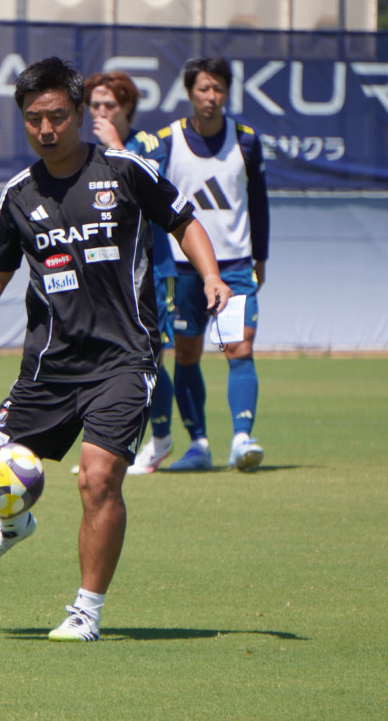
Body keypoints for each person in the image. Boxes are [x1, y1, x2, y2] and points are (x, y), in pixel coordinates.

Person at [0, 57, 231, 642]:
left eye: (58, 117)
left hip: (124, 358)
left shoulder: (123, 169)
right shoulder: (18, 195)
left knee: (98, 478)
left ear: (77, 115)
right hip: (49, 366)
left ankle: (85, 612)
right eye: (34, 119)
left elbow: (184, 222)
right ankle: (13, 525)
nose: (46, 129)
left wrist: (211, 275)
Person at [128, 57, 270, 473]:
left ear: (227, 93)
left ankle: (242, 440)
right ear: (190, 92)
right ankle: (199, 445)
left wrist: (261, 259)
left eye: (219, 89)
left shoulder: (246, 141)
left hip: (236, 268)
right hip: (186, 269)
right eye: (204, 89)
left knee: (238, 348)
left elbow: (258, 204)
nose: (211, 97)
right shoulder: (166, 141)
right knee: (186, 355)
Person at [82, 72, 179, 476]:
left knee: (150, 359)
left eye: (109, 105)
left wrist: (117, 148)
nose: (100, 112)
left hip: (153, 268)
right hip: (111, 272)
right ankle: (107, 445)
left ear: (126, 108)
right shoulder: (88, 153)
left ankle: (160, 441)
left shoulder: (148, 145)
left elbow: (149, 191)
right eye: (95, 105)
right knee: (107, 358)